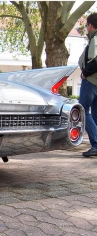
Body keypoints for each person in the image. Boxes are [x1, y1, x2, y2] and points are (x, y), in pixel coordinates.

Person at [78, 13, 97, 157]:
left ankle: (96, 144)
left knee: (83, 109)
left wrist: (85, 72)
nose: (86, 28)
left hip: (91, 80)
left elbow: (95, 60)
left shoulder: (95, 39)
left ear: (90, 26)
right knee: (95, 113)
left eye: (86, 25)